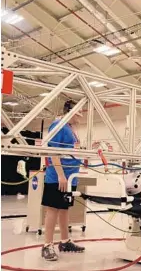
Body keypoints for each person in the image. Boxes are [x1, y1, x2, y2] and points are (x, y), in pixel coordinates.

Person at [41, 100, 85, 261]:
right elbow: (53, 151)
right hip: (58, 177)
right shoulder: (58, 125)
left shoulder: (72, 129)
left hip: (71, 177)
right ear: (72, 111)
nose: (82, 114)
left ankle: (65, 241)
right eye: (80, 111)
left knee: (64, 208)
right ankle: (47, 245)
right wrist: (60, 174)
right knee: (53, 209)